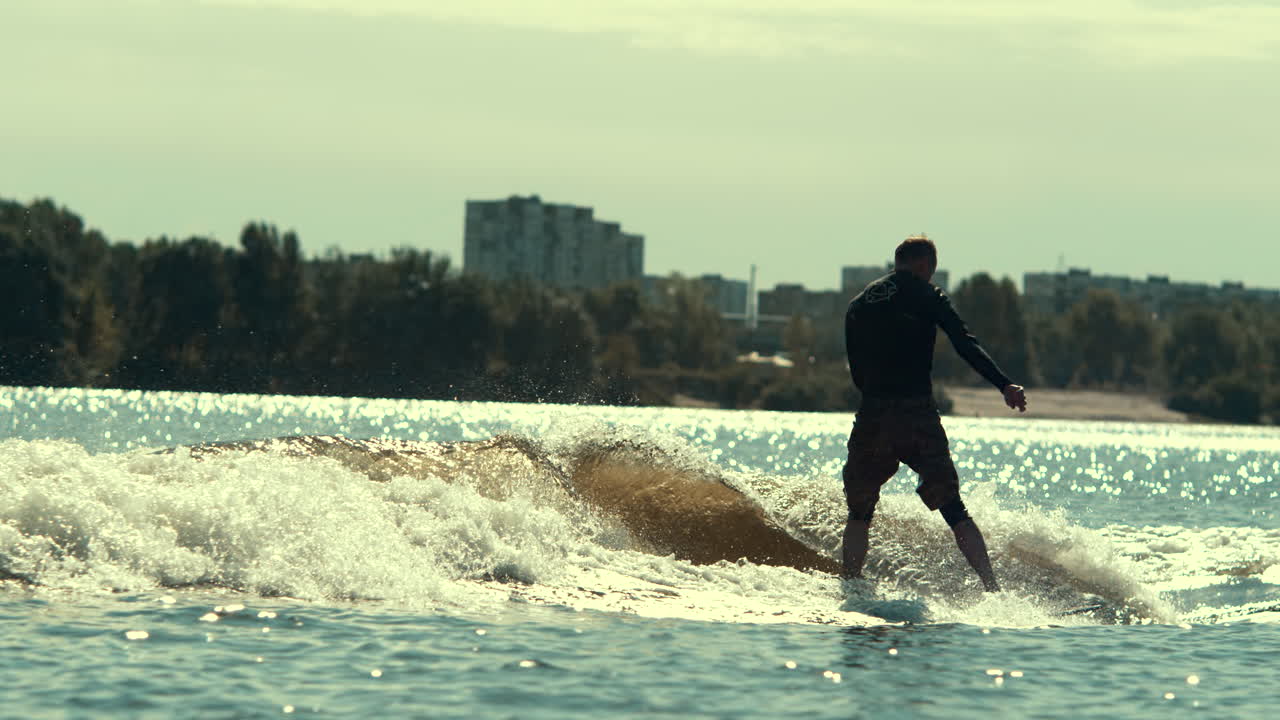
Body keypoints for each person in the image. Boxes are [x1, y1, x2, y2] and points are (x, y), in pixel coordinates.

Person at [841, 235, 1026, 592]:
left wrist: (876, 398)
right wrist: (1004, 385)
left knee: (860, 512)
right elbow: (964, 343)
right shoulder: (928, 295)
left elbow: (856, 370)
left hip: (873, 412)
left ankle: (850, 586)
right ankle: (992, 590)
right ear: (924, 265)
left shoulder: (859, 303)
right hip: (916, 413)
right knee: (954, 508)